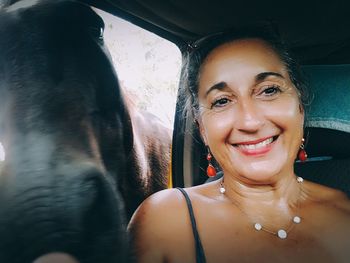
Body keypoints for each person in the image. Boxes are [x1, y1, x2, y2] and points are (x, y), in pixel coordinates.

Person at [127, 26, 350, 263]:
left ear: (300, 107)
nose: (250, 121)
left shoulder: (345, 210)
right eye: (221, 101)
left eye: (269, 90)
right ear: (202, 128)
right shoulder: (165, 221)